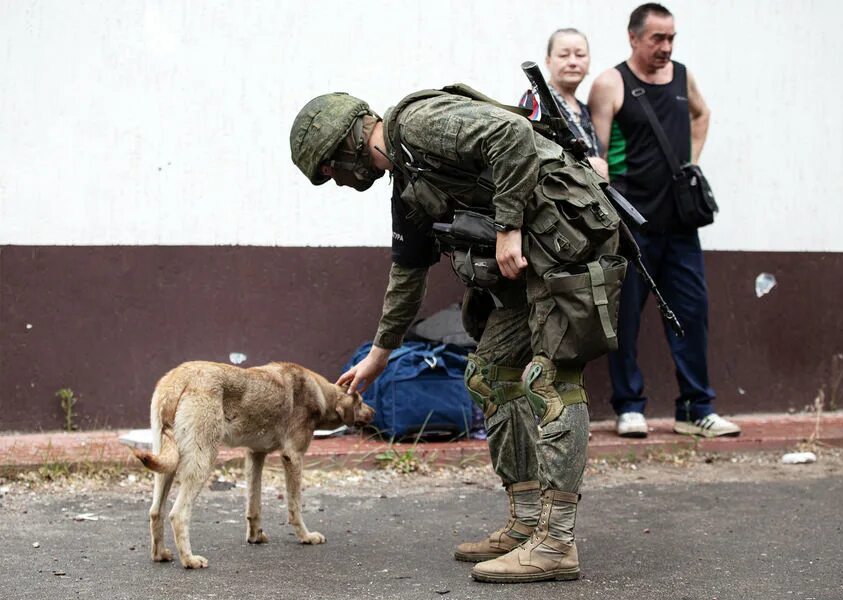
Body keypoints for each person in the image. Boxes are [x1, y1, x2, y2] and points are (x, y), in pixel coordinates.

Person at [289, 83, 626, 582]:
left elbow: (510, 134)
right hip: (532, 256)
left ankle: (556, 544)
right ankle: (526, 521)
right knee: (491, 373)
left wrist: (508, 226)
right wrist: (381, 352)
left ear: (344, 148)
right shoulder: (407, 182)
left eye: (328, 172)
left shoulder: (420, 124)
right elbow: (407, 273)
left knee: (549, 383)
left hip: (568, 243)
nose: (335, 183)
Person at [587, 3, 741, 439]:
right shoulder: (610, 83)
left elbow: (702, 114)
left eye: (671, 37)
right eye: (658, 38)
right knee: (627, 318)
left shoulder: (681, 76)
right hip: (631, 224)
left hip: (680, 225)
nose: (666, 47)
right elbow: (596, 155)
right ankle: (629, 406)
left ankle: (696, 408)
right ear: (634, 37)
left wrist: (688, 165)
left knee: (693, 312)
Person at [519, 28, 604, 172]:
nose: (572, 62)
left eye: (580, 55)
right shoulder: (536, 102)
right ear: (548, 61)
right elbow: (532, 157)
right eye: (564, 55)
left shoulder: (584, 108)